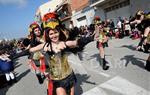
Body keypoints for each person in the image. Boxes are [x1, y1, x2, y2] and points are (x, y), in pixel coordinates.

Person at [12, 12, 93, 95]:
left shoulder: (64, 43)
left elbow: (76, 42)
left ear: (59, 32)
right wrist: (14, 56)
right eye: (51, 33)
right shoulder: (45, 45)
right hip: (57, 79)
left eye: (56, 32)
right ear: (47, 34)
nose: (54, 35)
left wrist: (91, 38)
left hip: (69, 76)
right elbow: (30, 50)